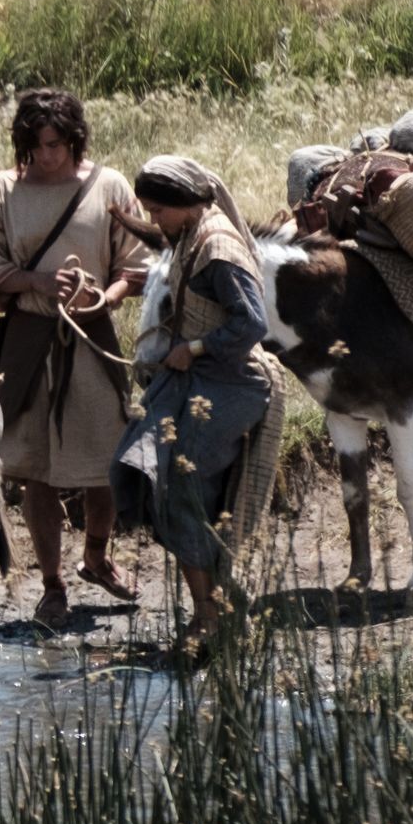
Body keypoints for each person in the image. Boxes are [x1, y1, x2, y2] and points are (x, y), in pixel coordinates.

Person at [0, 86, 148, 630]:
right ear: (23, 145)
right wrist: (39, 281)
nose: (48, 154)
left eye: (58, 143)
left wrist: (106, 297)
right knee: (35, 475)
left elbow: (136, 265)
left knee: (107, 465)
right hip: (26, 343)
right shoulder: (3, 192)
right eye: (38, 145)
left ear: (75, 139)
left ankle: (96, 555)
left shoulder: (108, 185)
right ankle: (52, 585)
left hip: (92, 338)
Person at [126, 158, 278, 657]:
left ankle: (209, 618)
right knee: (161, 480)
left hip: (231, 383)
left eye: (157, 211)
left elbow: (251, 324)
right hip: (203, 380)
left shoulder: (217, 247)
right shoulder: (191, 235)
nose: (155, 221)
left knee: (182, 491)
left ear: (182, 204)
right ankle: (219, 608)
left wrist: (191, 349)